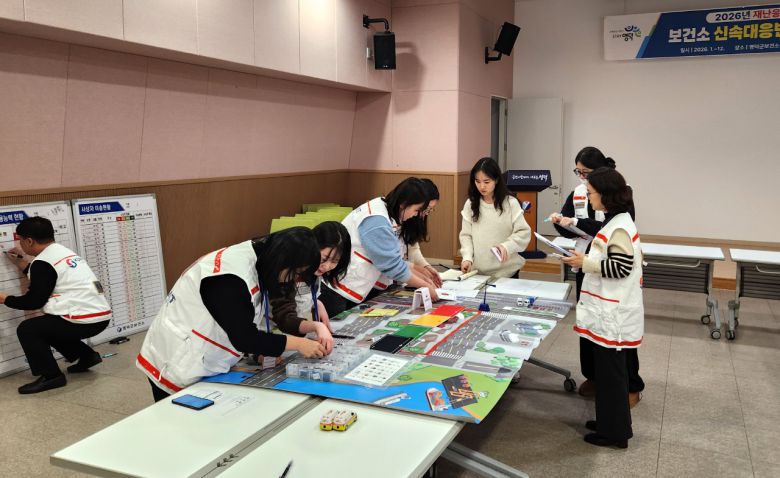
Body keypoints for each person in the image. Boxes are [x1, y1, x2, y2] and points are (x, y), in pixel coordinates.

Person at [137, 227, 328, 402]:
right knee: (176, 418)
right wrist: (300, 344)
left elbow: (244, 317)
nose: (292, 279)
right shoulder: (229, 278)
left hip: (206, 354)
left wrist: (260, 350)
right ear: (283, 260)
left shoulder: (261, 259)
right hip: (176, 359)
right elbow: (244, 337)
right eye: (295, 272)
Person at [549, 146, 644, 407]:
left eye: (586, 173)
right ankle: (594, 376)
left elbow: (608, 228)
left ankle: (631, 385)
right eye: (578, 172)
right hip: (586, 266)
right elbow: (570, 227)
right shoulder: (579, 192)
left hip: (609, 272)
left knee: (617, 331)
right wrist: (562, 222)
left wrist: (577, 223)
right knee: (589, 323)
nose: (582, 179)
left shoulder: (618, 193)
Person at [561, 167, 643, 449]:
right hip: (609, 312)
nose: (588, 197)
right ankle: (609, 423)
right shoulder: (614, 221)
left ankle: (615, 434)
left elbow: (620, 268)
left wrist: (583, 262)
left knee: (612, 376)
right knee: (608, 376)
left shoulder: (619, 227)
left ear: (605, 195)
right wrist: (583, 258)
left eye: (591, 193)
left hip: (614, 314)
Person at [0, 217, 111, 394]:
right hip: (100, 317)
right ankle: (87, 356)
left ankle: (51, 376)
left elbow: (34, 302)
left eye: (20, 240)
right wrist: (22, 264)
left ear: (29, 241)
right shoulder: (62, 252)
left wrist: (6, 299)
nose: (20, 244)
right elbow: (47, 277)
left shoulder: (42, 262)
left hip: (84, 320)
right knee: (49, 325)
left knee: (29, 329)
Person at [319, 178, 440, 316]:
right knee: (336, 325)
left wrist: (419, 272)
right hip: (339, 288)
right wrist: (424, 285)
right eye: (416, 210)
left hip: (356, 284)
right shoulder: (376, 220)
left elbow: (392, 258)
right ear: (404, 204)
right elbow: (391, 265)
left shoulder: (389, 212)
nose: (416, 215)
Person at [269, 221, 351, 350]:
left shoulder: (315, 272)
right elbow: (285, 319)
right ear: (312, 247)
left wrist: (316, 303)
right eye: (324, 259)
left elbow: (301, 297)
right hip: (269, 338)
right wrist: (316, 326)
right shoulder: (287, 271)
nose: (326, 266)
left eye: (335, 261)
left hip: (289, 341)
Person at [459, 157, 531, 278]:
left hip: (507, 272)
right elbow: (466, 235)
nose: (482, 186)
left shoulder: (510, 203)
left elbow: (524, 232)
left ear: (496, 180)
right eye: (477, 181)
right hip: (478, 271)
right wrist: (467, 258)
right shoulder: (471, 204)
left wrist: (507, 246)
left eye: (486, 182)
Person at [405, 178, 442, 288]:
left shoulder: (416, 218)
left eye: (430, 209)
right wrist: (419, 273)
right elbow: (392, 262)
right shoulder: (403, 217)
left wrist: (426, 267)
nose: (426, 213)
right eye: (426, 208)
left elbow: (413, 248)